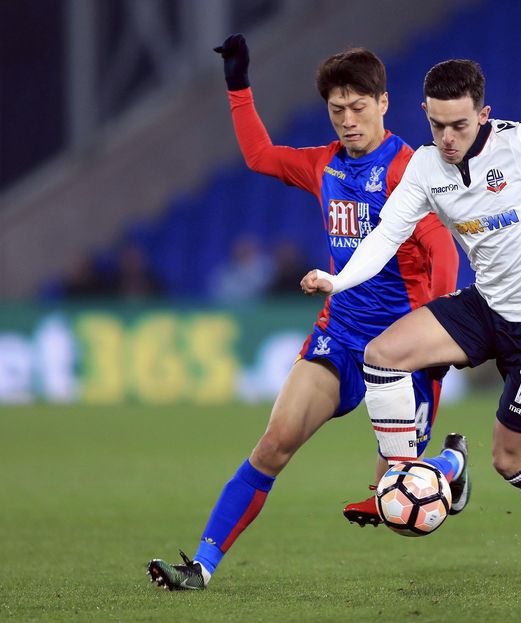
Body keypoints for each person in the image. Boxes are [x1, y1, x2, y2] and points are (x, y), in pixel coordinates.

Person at [302, 59, 521, 590]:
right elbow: (385, 236)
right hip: (488, 306)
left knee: (510, 458)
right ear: (424, 113)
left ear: (484, 114)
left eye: (459, 125)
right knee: (383, 355)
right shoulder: (424, 167)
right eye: (437, 125)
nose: (447, 138)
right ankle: (403, 479)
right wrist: (339, 280)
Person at [147, 34, 463, 591]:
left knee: (401, 507)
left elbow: (442, 252)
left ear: (384, 104)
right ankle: (200, 566)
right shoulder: (323, 165)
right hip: (339, 338)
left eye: (358, 107)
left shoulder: (411, 172)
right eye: (336, 110)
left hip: (404, 350)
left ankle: (451, 466)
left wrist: (437, 337)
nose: (346, 120)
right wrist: (238, 83)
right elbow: (259, 156)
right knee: (273, 445)